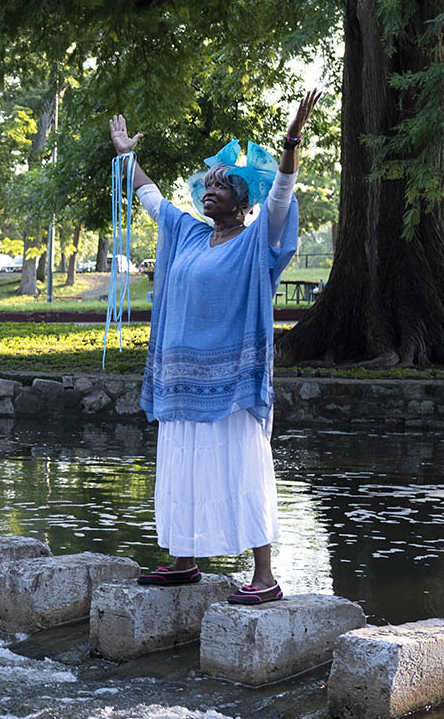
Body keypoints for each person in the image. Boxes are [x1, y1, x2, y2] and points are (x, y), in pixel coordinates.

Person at [111, 90, 322, 604]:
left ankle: (265, 575)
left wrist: (292, 139)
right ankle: (185, 563)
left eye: (222, 186)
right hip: (181, 380)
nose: (210, 192)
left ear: (243, 199)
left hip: (231, 381)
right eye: (206, 186)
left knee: (241, 466)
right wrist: (125, 155)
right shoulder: (186, 233)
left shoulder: (257, 240)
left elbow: (283, 192)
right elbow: (152, 199)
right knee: (183, 464)